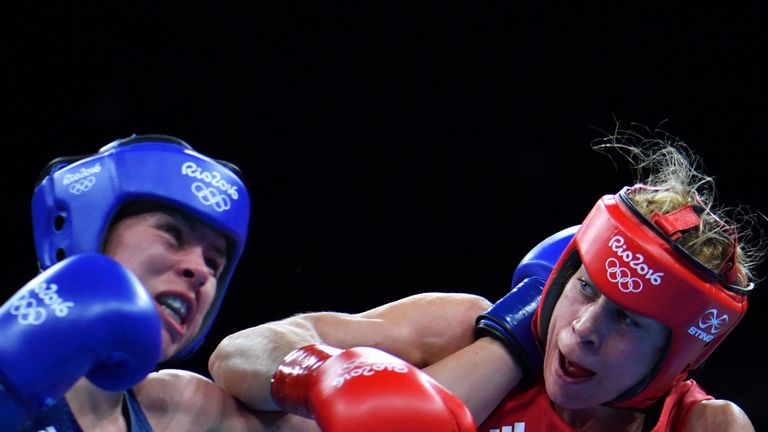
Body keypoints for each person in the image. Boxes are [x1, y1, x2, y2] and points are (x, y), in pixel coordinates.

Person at [209, 128, 761, 431]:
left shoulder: (703, 427)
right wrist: (324, 378)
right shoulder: (462, 327)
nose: (586, 328)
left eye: (628, 319)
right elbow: (238, 353)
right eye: (587, 287)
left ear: (673, 356)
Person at [0, 134, 476, 431]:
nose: (200, 270)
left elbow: (391, 417)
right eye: (172, 234)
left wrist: (516, 329)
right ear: (88, 232)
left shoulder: (177, 409)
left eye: (215, 260)